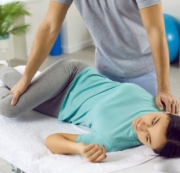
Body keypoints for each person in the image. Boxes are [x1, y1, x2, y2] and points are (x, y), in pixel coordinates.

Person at [9, 0, 179, 115]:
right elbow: (49, 27)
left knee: (150, 140)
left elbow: (156, 31)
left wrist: (164, 89)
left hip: (143, 71)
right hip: (106, 71)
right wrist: (26, 79)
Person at [0, 59, 180, 163]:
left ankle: (2, 67)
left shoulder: (113, 140)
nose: (142, 126)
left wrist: (78, 148)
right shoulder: (156, 101)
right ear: (165, 113)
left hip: (56, 104)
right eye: (154, 121)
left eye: (147, 138)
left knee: (15, 97)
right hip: (73, 74)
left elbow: (52, 139)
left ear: (150, 147)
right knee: (10, 107)